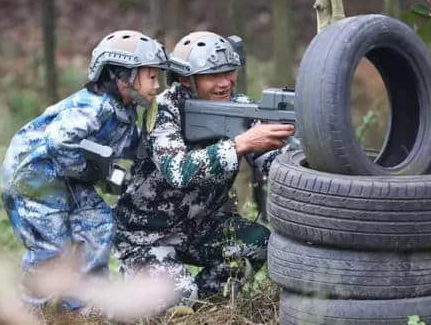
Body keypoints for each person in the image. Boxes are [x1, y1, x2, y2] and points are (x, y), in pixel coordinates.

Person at [114, 31, 295, 308]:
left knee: (258, 243)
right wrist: (241, 144)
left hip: (197, 228)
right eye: (212, 75)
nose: (225, 83)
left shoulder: (241, 107)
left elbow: (272, 161)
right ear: (187, 79)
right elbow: (177, 170)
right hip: (144, 236)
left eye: (229, 72)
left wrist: (298, 155)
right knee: (179, 295)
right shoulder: (164, 110)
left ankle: (207, 310)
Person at [0, 30, 168, 310]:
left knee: (100, 225)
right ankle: (27, 310)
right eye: (151, 77)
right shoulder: (93, 108)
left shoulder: (126, 110)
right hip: (34, 177)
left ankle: (83, 305)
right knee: (52, 250)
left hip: (67, 177)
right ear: (122, 76)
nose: (157, 84)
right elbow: (58, 142)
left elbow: (131, 149)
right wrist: (96, 172)